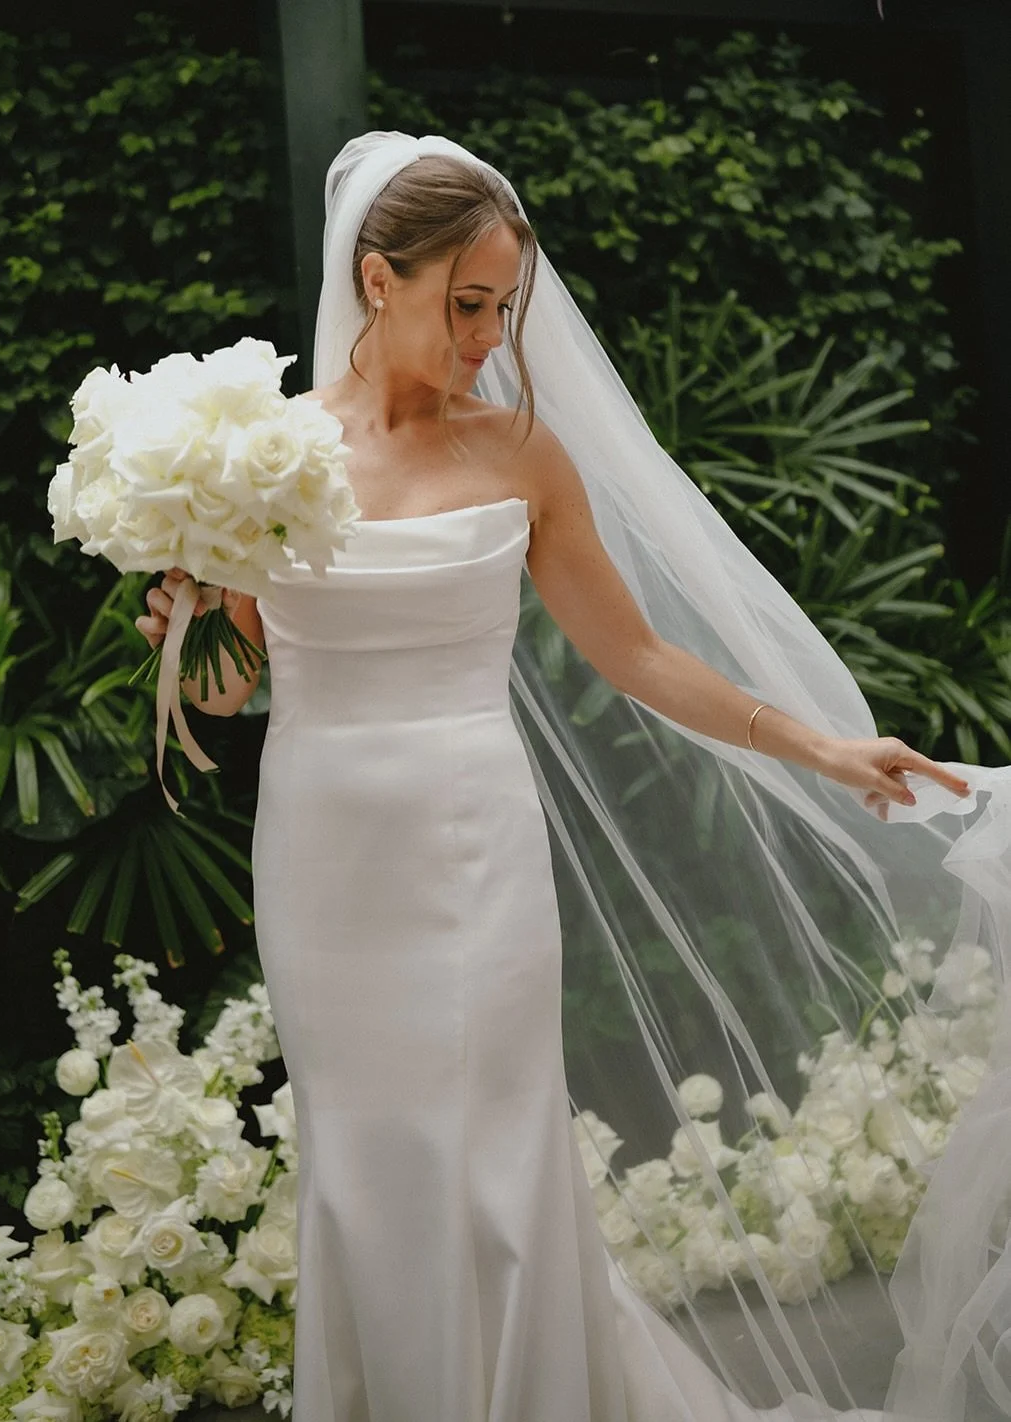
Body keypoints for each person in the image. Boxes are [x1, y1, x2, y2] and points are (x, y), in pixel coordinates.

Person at [136, 133, 1011, 1421]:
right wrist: (185, 617)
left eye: (507, 307)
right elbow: (225, 691)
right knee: (365, 1162)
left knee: (493, 1154)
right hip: (325, 856)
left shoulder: (520, 456)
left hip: (475, 844)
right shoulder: (265, 461)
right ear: (379, 280)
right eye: (467, 302)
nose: (492, 334)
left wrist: (820, 744)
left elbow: (640, 654)